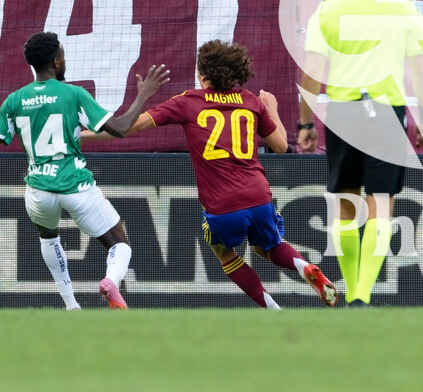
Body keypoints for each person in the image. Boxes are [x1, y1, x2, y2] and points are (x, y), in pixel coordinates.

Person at [0, 31, 170, 310]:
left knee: (48, 236)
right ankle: (111, 281)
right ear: (56, 61)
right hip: (75, 186)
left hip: (38, 190)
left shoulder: (15, 100)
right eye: (62, 55)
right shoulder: (73, 94)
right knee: (119, 244)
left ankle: (70, 304)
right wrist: (143, 96)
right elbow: (121, 128)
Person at [87, 40, 338, 310]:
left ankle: (273, 310)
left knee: (224, 252)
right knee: (267, 245)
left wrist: (81, 137)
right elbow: (279, 147)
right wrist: (272, 109)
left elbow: (129, 127)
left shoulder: (187, 102)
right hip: (258, 197)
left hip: (222, 206)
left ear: (203, 75)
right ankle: (304, 266)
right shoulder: (250, 101)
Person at [297, 0, 423, 307]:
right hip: (385, 111)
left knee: (345, 204)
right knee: (381, 203)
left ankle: (352, 288)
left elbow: (312, 71)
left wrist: (304, 124)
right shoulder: (401, 8)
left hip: (343, 111)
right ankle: (364, 293)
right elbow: (421, 71)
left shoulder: (328, 10)